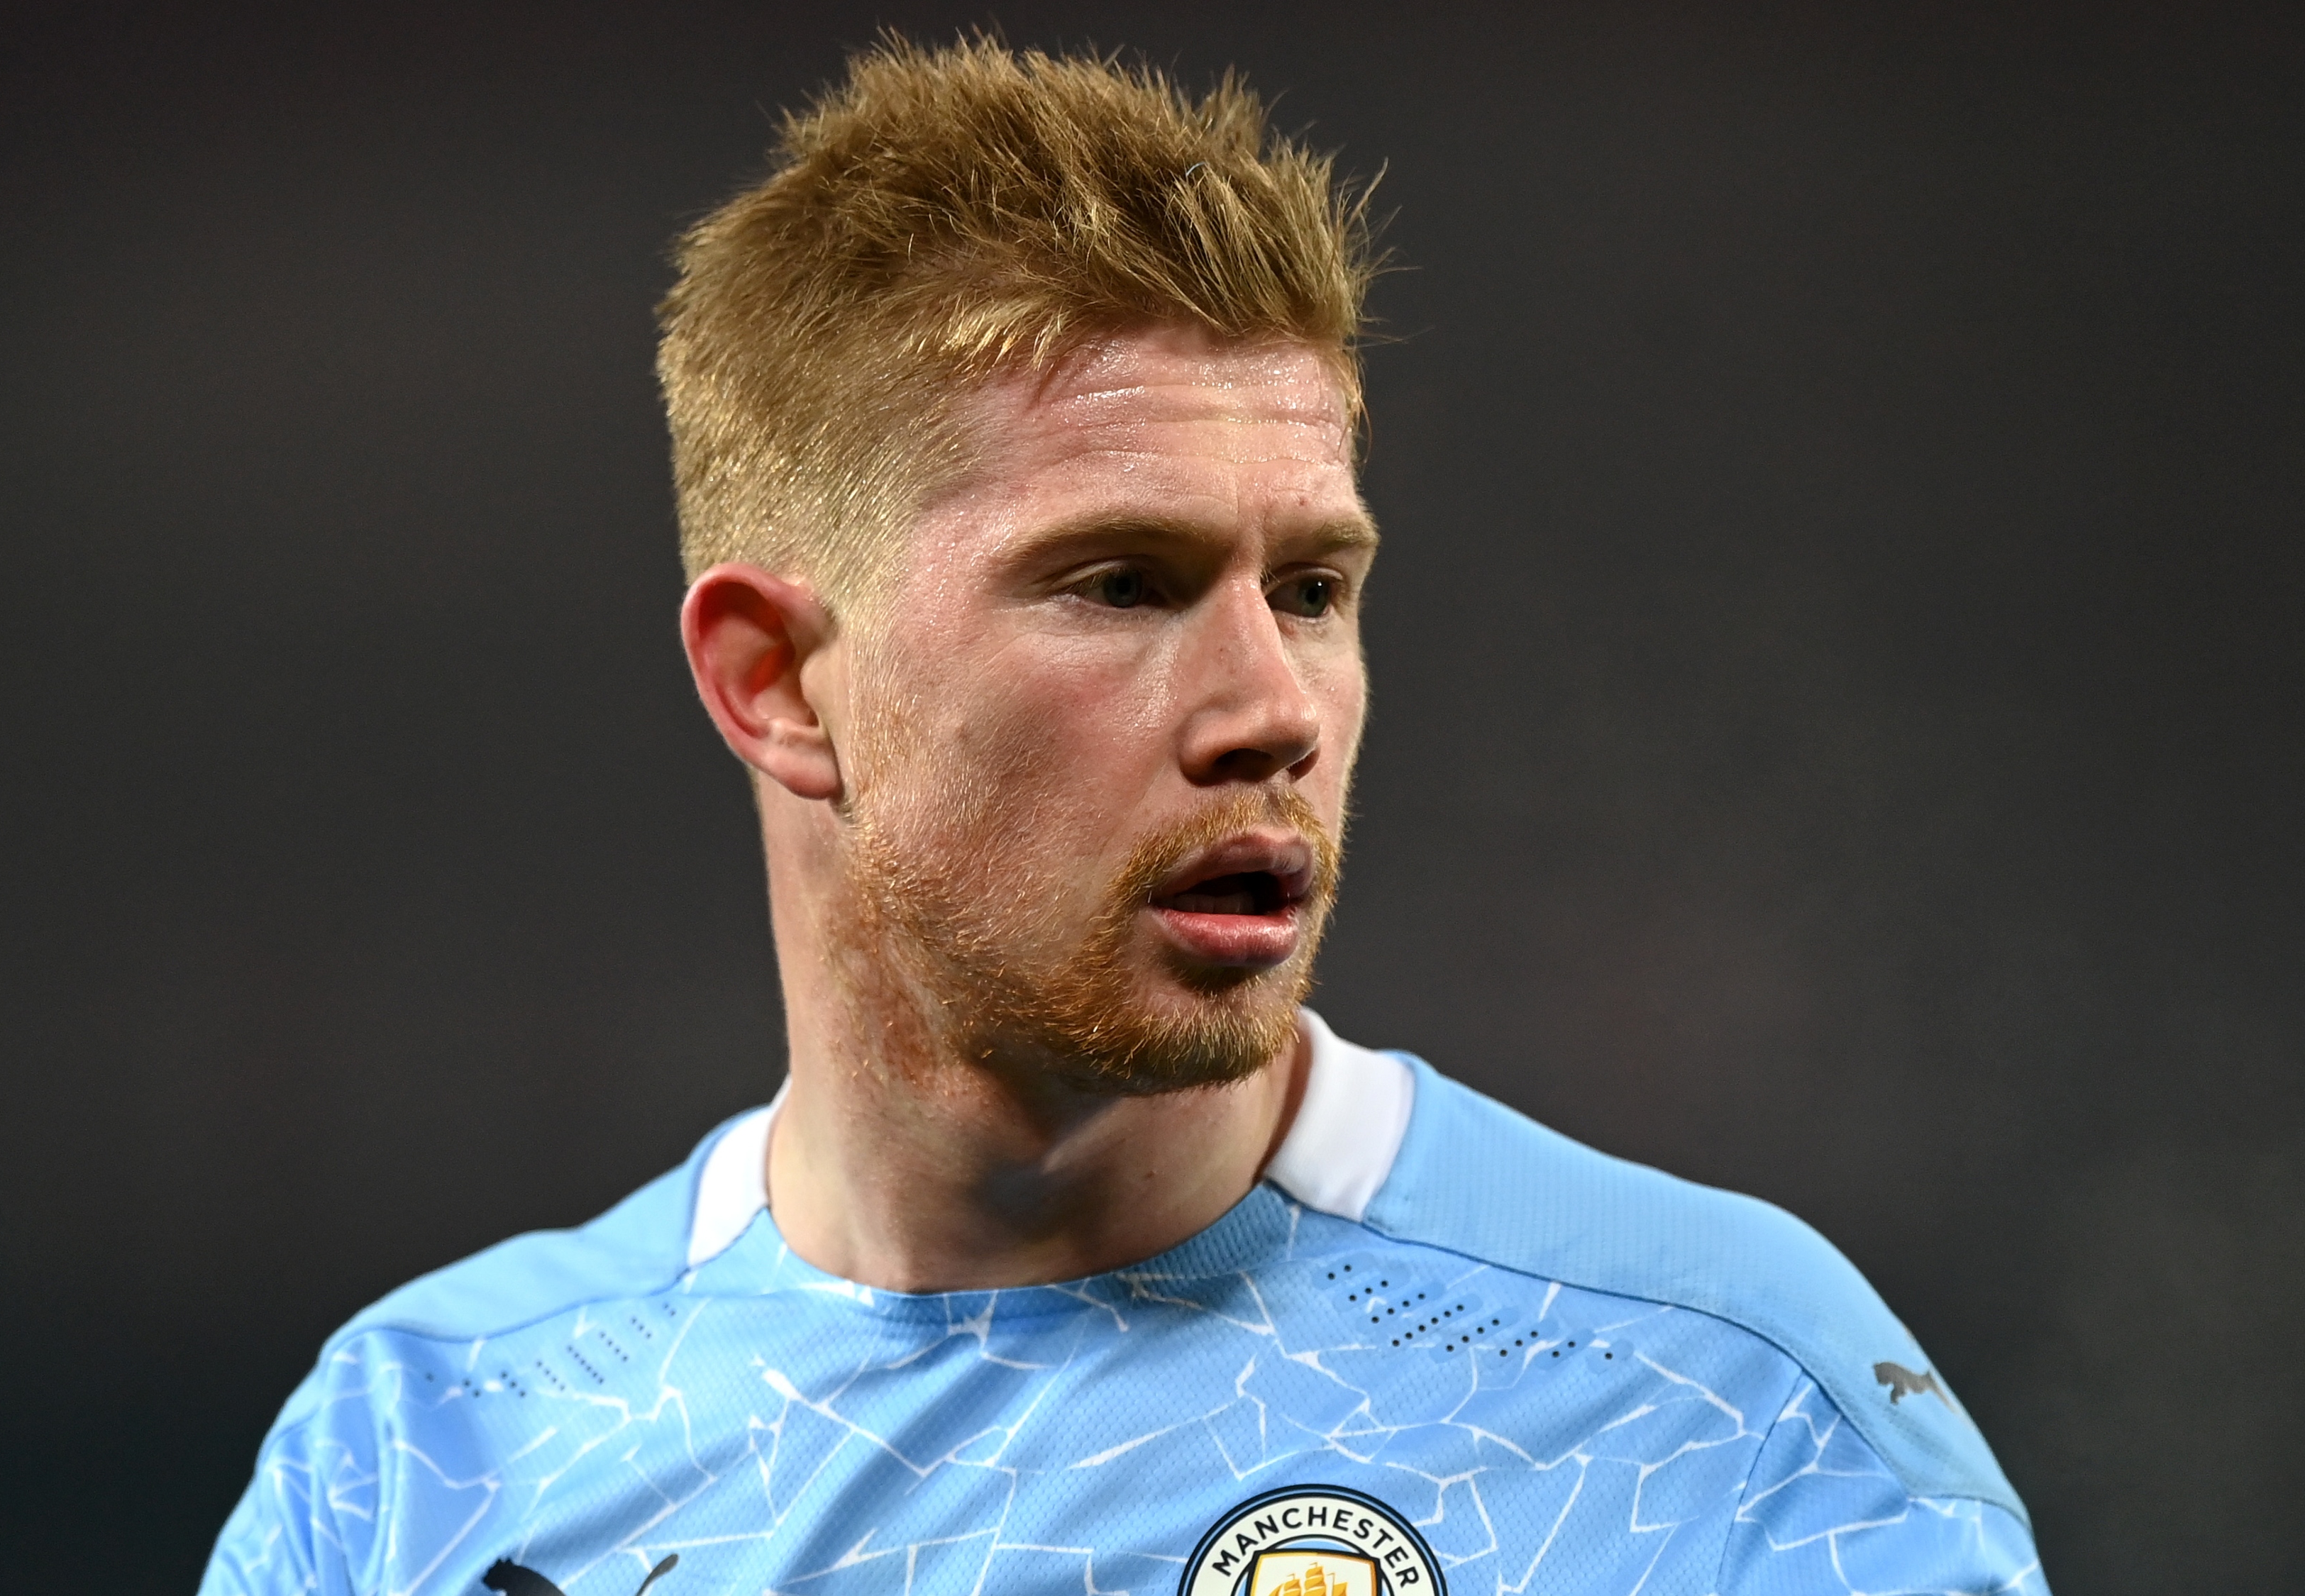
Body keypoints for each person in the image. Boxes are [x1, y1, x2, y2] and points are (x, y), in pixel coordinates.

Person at [200, 37, 2043, 1596]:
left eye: (1313, 587)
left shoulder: (1717, 1410)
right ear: (775, 679)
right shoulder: (423, 1460)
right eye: (1120, 583)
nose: (1269, 711)